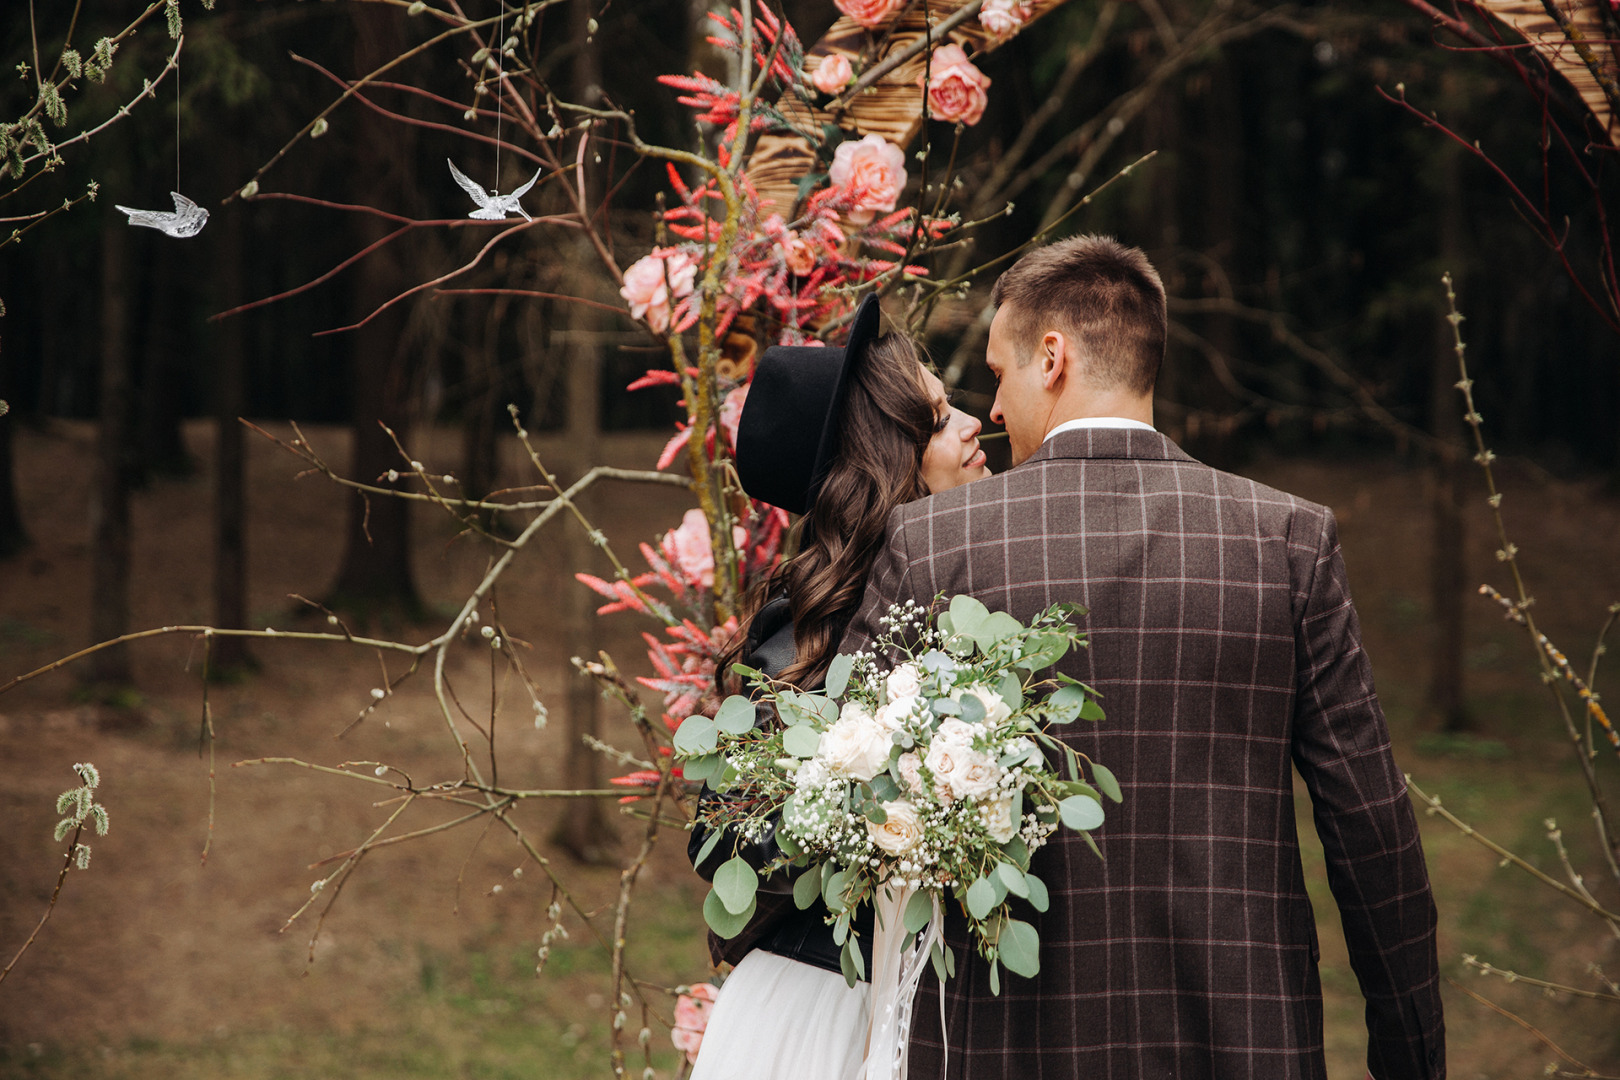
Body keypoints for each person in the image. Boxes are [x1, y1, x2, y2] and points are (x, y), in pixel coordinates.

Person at [839, 236, 1446, 1079]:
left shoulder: (936, 543)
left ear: (1051, 358)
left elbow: (847, 798)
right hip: (1241, 1040)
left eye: (999, 373)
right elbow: (1372, 828)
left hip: (1007, 1046)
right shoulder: (1286, 542)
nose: (996, 408)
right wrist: (1412, 1058)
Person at [686, 294, 991, 1080]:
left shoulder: (986, 610)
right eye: (940, 419)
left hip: (950, 1010)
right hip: (818, 1013)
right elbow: (721, 841)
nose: (975, 425)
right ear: (889, 462)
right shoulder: (794, 648)